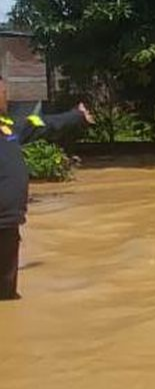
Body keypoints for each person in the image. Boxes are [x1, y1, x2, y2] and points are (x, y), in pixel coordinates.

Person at [1, 77, 93, 300]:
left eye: (4, 90)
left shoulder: (8, 127)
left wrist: (76, 116)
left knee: (6, 297)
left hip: (9, 225)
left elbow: (40, 123)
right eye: (1, 90)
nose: (5, 95)